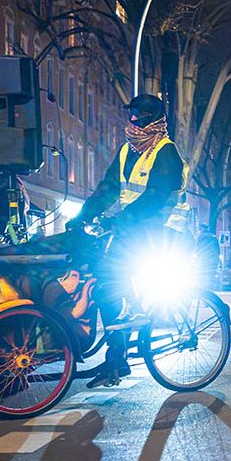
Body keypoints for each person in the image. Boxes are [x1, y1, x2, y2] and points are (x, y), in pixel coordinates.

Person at [66, 93, 186, 385]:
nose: (132, 121)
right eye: (130, 115)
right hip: (135, 226)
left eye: (139, 116)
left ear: (155, 120)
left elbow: (155, 199)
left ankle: (131, 314)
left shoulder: (167, 153)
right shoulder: (126, 151)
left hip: (164, 229)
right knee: (103, 284)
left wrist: (118, 220)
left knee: (111, 275)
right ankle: (116, 360)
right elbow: (106, 190)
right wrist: (82, 217)